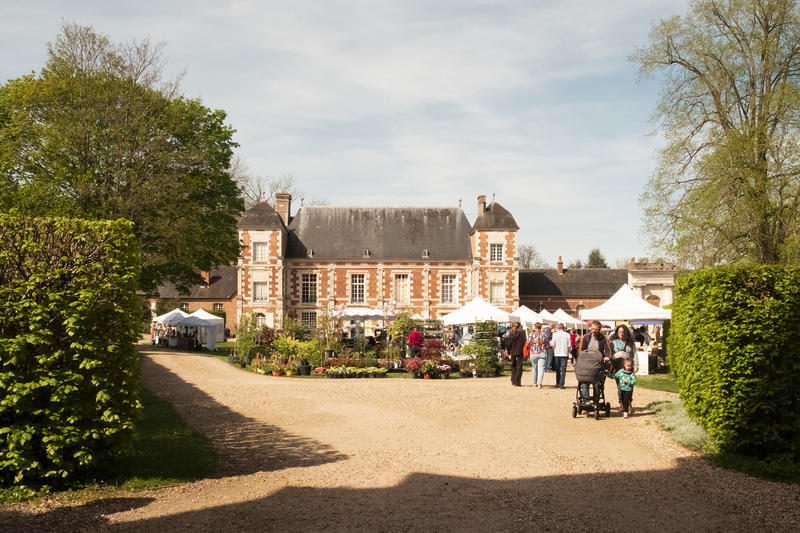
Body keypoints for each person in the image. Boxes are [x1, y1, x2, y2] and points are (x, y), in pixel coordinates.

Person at [575, 320, 611, 401]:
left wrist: (607, 356)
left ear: (599, 329)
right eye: (593, 329)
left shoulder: (603, 339)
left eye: (596, 329)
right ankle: (586, 401)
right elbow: (581, 350)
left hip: (598, 364)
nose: (594, 331)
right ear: (590, 328)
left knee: (598, 384)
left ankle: (596, 400)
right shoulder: (586, 337)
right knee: (584, 383)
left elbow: (608, 350)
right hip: (587, 364)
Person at [609, 325, 637, 412]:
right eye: (620, 331)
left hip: (628, 366)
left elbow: (635, 354)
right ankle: (621, 403)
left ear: (626, 333)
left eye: (623, 332)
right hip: (617, 366)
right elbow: (609, 354)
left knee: (629, 385)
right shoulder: (612, 342)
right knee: (620, 386)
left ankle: (629, 403)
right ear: (617, 332)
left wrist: (636, 366)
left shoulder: (630, 342)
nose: (622, 333)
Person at [504, 321, 526, 387]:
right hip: (520, 352)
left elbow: (508, 344)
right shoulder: (522, 333)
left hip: (513, 352)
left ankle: (513, 381)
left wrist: (508, 352)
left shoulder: (512, 334)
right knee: (519, 367)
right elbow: (524, 343)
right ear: (519, 327)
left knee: (513, 366)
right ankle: (517, 382)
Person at [528, 322, 548, 388]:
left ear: (535, 327)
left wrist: (533, 342)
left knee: (534, 368)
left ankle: (534, 383)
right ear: (541, 327)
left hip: (533, 353)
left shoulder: (531, 334)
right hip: (542, 353)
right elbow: (547, 344)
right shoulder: (544, 334)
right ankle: (539, 384)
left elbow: (528, 343)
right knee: (541, 369)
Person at [551, 323, 571, 388]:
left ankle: (557, 382)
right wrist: (568, 352)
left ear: (558, 328)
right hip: (564, 353)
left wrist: (554, 350)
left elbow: (553, 344)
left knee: (557, 369)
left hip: (557, 353)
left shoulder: (554, 334)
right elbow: (569, 346)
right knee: (563, 369)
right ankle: (561, 384)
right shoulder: (567, 335)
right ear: (563, 328)